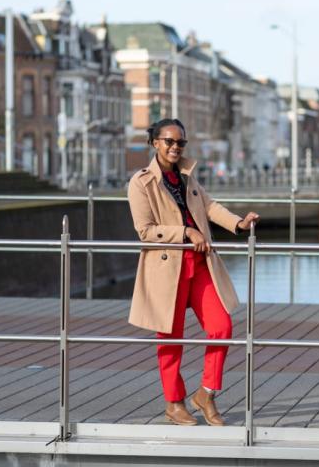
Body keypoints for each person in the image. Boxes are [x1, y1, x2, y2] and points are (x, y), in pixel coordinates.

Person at [127, 118, 260, 426]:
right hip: (166, 266)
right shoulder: (141, 182)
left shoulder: (187, 176)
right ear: (155, 143)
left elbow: (210, 207)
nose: (175, 147)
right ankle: (174, 403)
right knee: (170, 338)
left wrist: (239, 223)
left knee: (221, 326)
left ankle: (206, 393)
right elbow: (145, 231)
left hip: (200, 264)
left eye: (181, 142)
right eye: (169, 141)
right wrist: (185, 232)